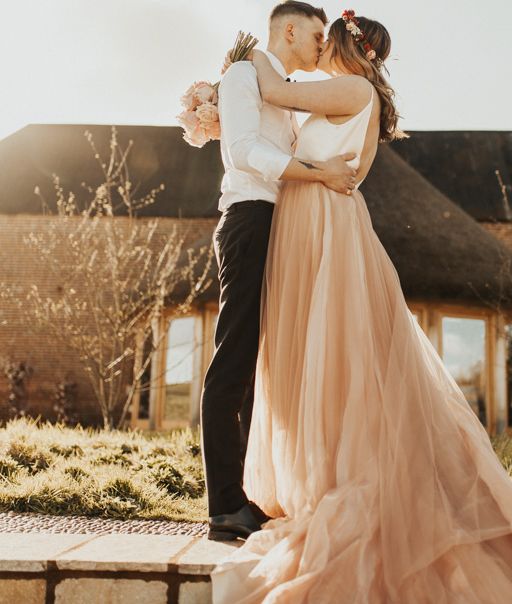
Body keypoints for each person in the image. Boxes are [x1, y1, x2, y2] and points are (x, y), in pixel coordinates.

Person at [211, 8, 512, 603]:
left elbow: (271, 90)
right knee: (318, 360)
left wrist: (232, 75)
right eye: (312, 37)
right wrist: (226, 101)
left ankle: (310, 487)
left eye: (324, 39)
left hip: (318, 224)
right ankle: (295, 484)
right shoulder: (342, 94)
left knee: (328, 357)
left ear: (344, 44)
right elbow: (271, 119)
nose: (317, 49)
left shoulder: (346, 87)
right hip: (304, 221)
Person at [200, 1, 360, 542]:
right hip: (249, 220)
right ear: (290, 30)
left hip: (279, 226)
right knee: (234, 358)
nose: (323, 44)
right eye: (317, 35)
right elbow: (244, 150)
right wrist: (318, 174)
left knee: (259, 366)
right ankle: (223, 505)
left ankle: (242, 496)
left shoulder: (280, 88)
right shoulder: (243, 75)